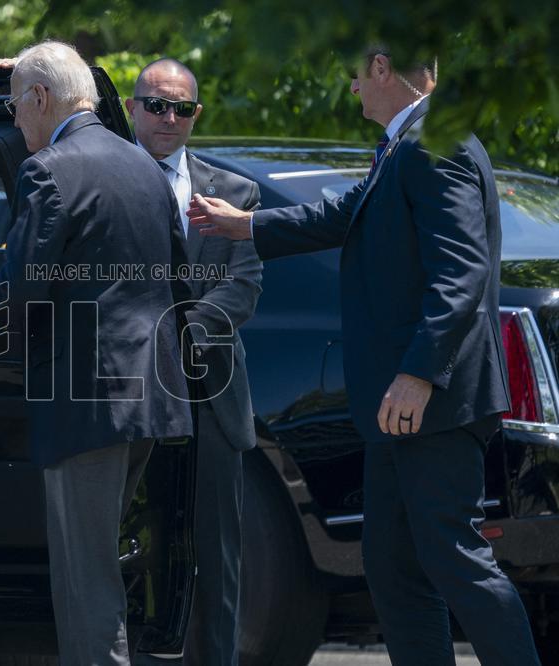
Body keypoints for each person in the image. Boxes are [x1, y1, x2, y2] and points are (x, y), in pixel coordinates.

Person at [186, 47, 541, 666]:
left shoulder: (439, 144)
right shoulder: (410, 143)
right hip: (394, 407)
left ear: (382, 67)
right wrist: (249, 226)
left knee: (455, 560)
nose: (352, 89)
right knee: (394, 567)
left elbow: (459, 275)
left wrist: (417, 373)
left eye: (355, 75)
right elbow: (350, 213)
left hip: (430, 403)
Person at [0, 41, 193, 665]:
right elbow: (180, 281)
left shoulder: (49, 169)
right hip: (149, 400)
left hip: (85, 407)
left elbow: (25, 292)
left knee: (86, 584)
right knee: (100, 566)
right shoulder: (145, 168)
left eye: (14, 105)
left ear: (41, 98)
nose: (15, 120)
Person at [126, 58, 262, 666]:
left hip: (212, 392)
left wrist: (179, 335)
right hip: (128, 396)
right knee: (134, 548)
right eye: (156, 105)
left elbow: (244, 286)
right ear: (132, 108)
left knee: (217, 556)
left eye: (181, 107)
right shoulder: (105, 181)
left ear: (196, 114)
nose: (168, 118)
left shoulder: (235, 193)